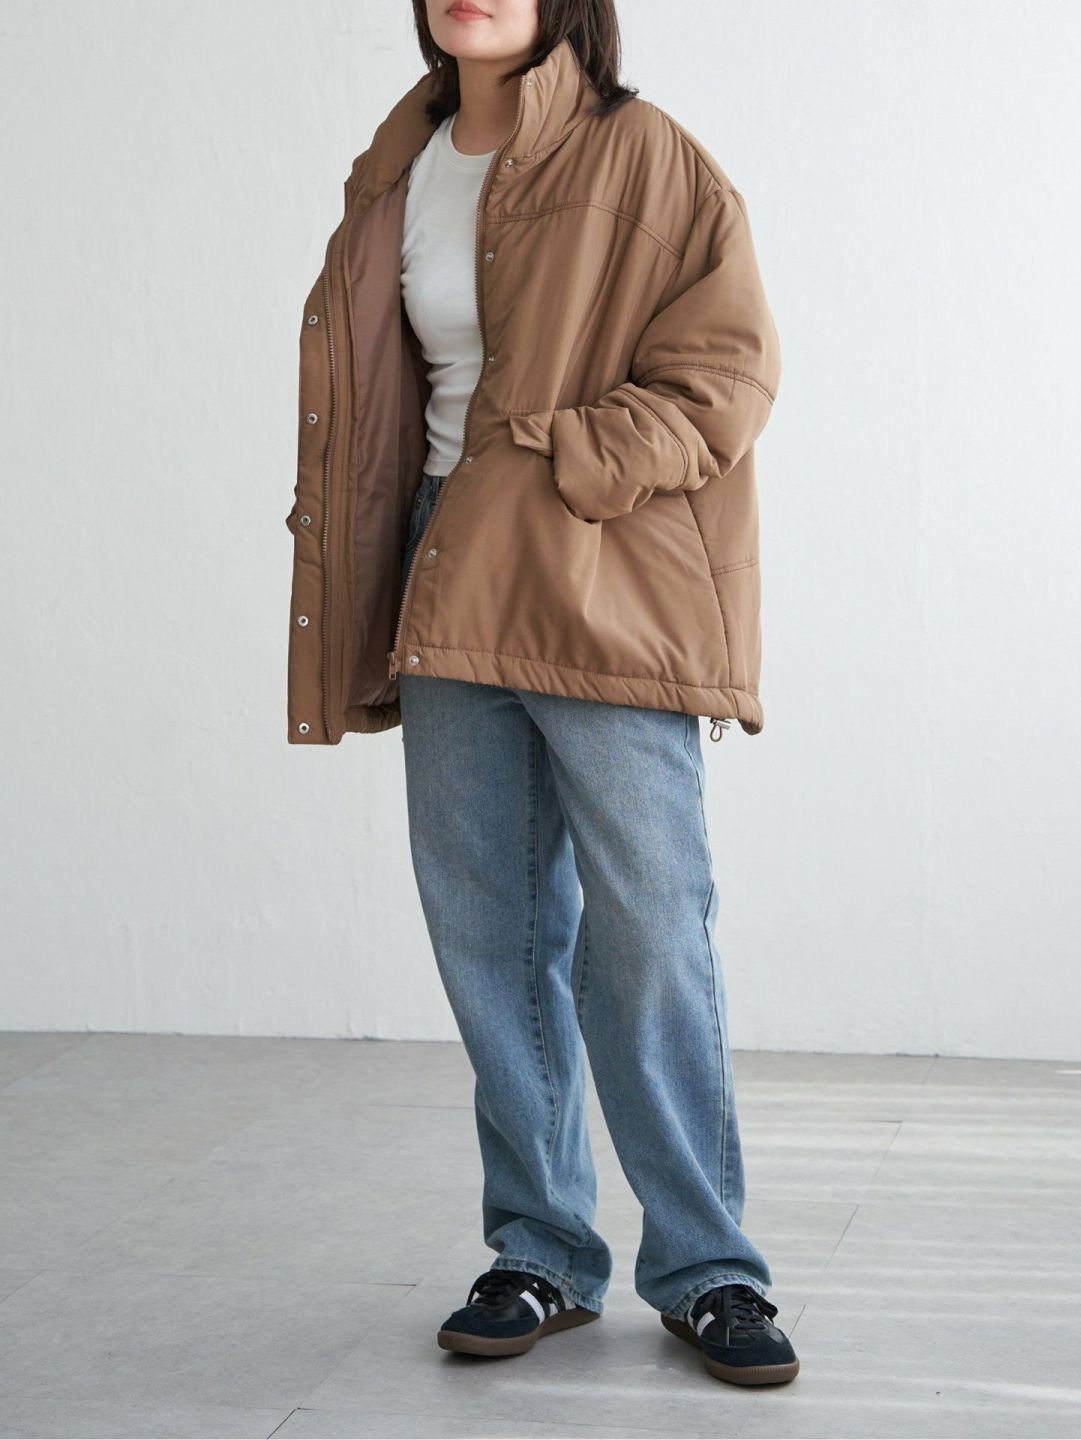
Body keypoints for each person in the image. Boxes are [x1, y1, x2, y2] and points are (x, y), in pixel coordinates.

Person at [284, 0, 795, 1387]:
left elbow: (730, 372)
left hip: (599, 571)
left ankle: (710, 1267)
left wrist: (577, 457)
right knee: (494, 936)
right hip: (447, 569)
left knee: (650, 932)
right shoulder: (400, 163)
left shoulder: (650, 157)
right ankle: (541, 1250)